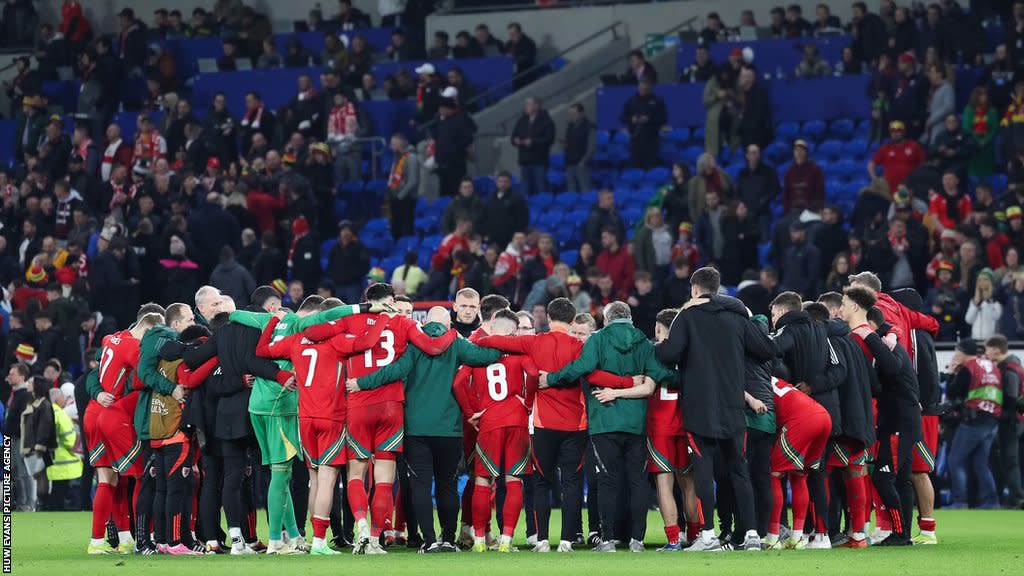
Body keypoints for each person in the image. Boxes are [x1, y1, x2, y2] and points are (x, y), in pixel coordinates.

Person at [303, 284, 462, 554]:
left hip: (358, 404)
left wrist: (357, 311)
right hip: (391, 407)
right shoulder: (403, 321)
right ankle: (376, 539)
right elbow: (432, 347)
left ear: (367, 300)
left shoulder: (350, 319)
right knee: (385, 478)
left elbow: (311, 330)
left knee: (356, 473)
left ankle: (362, 526)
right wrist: (453, 333)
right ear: (390, 300)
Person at [253, 299, 389, 555]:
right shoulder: (336, 341)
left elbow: (261, 351)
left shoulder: (295, 341)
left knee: (314, 481)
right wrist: (383, 318)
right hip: (331, 418)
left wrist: (272, 322)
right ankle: (319, 542)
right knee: (328, 480)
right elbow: (368, 343)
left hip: (305, 419)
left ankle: (308, 538)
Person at [654, 267, 776, 551]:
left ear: (695, 290)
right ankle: (752, 536)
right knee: (739, 471)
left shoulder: (688, 316)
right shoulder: (737, 316)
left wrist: (659, 346)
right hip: (733, 405)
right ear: (718, 289)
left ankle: (707, 535)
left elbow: (670, 353)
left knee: (704, 470)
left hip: (699, 408)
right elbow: (767, 349)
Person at [543, 301, 674, 552]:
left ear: (606, 319)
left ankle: (607, 540)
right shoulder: (645, 343)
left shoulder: (598, 339)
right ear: (630, 318)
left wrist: (551, 378)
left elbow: (582, 368)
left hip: (604, 420)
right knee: (637, 482)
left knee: (607, 482)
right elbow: (661, 374)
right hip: (637, 423)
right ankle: (637, 540)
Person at [476, 298, 586, 552]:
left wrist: (478, 341)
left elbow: (495, 341)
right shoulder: (580, 346)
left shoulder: (534, 341)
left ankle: (543, 540)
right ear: (572, 321)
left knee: (541, 482)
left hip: (544, 424)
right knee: (571, 483)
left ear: (548, 318)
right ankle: (568, 541)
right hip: (576, 425)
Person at [454, 309, 537, 553]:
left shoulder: (477, 352)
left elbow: (458, 382)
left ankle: (479, 539)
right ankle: (506, 540)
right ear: (512, 331)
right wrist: (528, 402)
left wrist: (471, 413)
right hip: (516, 419)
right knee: (513, 480)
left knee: (482, 479)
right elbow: (532, 373)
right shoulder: (518, 350)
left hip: (488, 420)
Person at [841, 287, 918, 546]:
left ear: (855, 308)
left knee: (883, 477)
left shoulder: (877, 339)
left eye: (843, 303)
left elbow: (892, 369)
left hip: (897, 421)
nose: (841, 308)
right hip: (901, 419)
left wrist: (869, 335)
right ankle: (903, 533)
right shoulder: (887, 338)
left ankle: (899, 533)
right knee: (902, 480)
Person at [648, 309, 698, 550]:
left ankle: (672, 539)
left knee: (664, 484)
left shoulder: (652, 352)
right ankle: (695, 536)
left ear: (659, 329)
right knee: (689, 483)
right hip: (686, 423)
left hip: (659, 425)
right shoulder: (690, 353)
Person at [763, 377, 832, 550]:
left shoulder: (755, 380)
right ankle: (797, 537)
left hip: (802, 419)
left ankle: (772, 539)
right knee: (799, 476)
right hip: (823, 416)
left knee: (774, 473)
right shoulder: (775, 380)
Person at [946, 338, 1001, 509]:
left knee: (955, 460)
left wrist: (951, 373)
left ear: (961, 352)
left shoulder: (967, 368)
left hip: (974, 420)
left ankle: (960, 501)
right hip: (992, 419)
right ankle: (991, 501)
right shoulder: (990, 365)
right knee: (980, 463)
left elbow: (953, 393)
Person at [985, 335, 1024, 509]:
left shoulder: (1009, 369)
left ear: (995, 349)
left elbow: (1011, 397)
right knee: (1004, 460)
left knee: (1010, 460)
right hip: (1011, 420)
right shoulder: (1011, 366)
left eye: (987, 349)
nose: (986, 353)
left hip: (1010, 421)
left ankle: (1016, 498)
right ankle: (1008, 496)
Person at [619, 77, 667, 170]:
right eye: (642, 86)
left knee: (650, 166)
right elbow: (622, 118)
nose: (644, 89)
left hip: (651, 140)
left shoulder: (657, 101)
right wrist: (632, 119)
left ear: (650, 87)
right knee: (635, 167)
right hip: (635, 140)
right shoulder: (631, 101)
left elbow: (663, 118)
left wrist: (649, 119)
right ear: (638, 86)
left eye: (646, 86)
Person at [511, 97, 555, 197]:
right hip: (525, 161)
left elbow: (549, 139)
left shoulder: (546, 121)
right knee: (525, 191)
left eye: (528, 104)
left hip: (539, 161)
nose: (526, 107)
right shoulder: (521, 120)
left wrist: (533, 142)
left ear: (536, 106)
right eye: (525, 104)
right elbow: (513, 136)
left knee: (541, 190)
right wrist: (515, 140)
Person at [868, 120, 925, 195]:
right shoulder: (885, 148)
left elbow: (923, 163)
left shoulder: (913, 146)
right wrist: (875, 179)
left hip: (909, 189)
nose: (895, 133)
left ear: (903, 132)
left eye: (898, 130)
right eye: (893, 131)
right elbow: (871, 165)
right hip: (888, 190)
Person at [477, 172, 529, 252]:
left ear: (510, 183)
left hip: (510, 240)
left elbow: (523, 219)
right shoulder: (490, 199)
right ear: (496, 182)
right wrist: (485, 233)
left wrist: (516, 236)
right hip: (492, 240)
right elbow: (483, 217)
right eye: (500, 181)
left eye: (505, 181)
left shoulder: (517, 199)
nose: (503, 184)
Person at [737, 144, 780, 240]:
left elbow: (776, 189)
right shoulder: (742, 173)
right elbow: (738, 192)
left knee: (764, 242)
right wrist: (741, 205)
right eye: (752, 153)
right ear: (747, 155)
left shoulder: (768, 171)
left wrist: (764, 200)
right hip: (747, 215)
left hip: (763, 215)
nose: (755, 155)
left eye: (757, 153)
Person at [387, 133, 419, 239]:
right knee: (396, 228)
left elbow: (413, 180)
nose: (390, 145)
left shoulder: (411, 157)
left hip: (406, 199)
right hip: (395, 197)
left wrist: (400, 196)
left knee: (406, 228)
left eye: (393, 143)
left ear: (399, 144)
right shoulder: (396, 157)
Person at [734, 67, 774, 149]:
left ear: (749, 78)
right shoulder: (740, 93)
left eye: (741, 77)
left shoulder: (759, 94)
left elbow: (757, 119)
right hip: (744, 137)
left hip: (756, 139)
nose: (739, 79)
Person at [783, 140, 825, 214]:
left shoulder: (815, 169)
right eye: (796, 150)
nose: (799, 152)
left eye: (801, 150)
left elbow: (819, 192)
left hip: (810, 209)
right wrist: (787, 211)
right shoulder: (789, 171)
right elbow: (787, 193)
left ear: (806, 152)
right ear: (793, 152)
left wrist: (815, 209)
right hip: (793, 210)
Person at [564, 103, 594, 193]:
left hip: (581, 163)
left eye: (574, 114)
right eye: (571, 114)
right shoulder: (570, 126)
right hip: (570, 162)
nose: (572, 116)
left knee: (585, 190)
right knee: (571, 192)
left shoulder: (589, 126)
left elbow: (591, 147)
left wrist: (583, 161)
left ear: (582, 113)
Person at [505, 23, 537, 89]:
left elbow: (528, 58)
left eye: (513, 34)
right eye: (510, 34)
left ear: (519, 33)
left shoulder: (528, 43)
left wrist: (513, 58)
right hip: (510, 73)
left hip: (524, 73)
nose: (511, 36)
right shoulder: (508, 44)